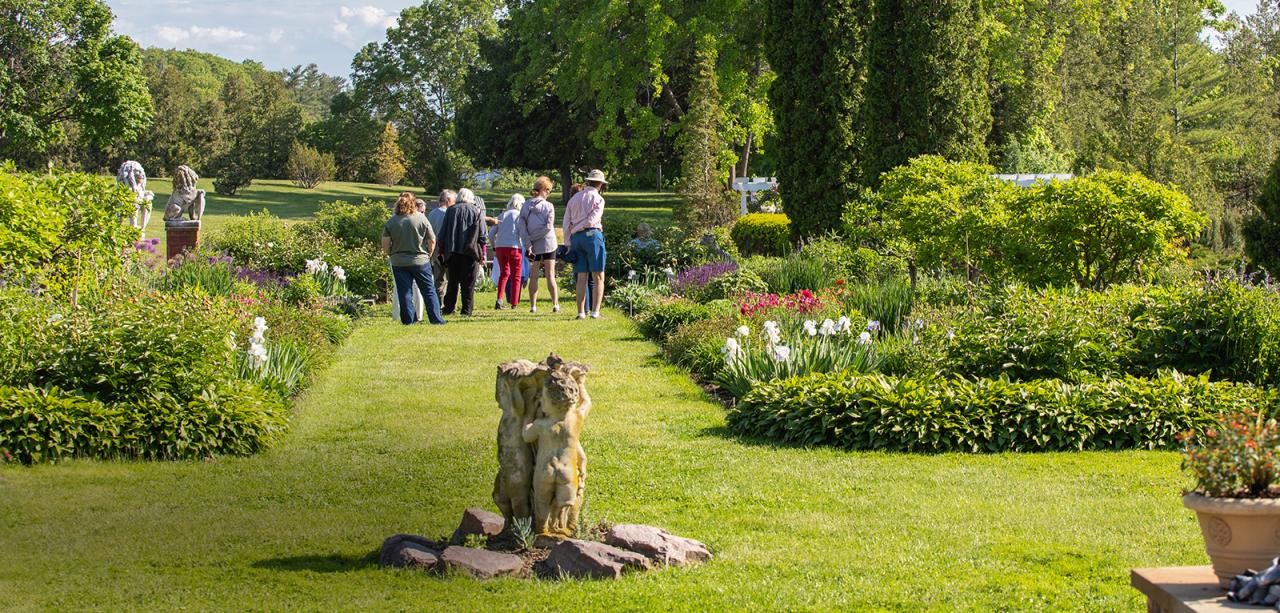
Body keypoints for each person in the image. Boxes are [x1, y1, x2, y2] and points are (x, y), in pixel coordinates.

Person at [381, 191, 445, 326]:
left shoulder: (392, 221)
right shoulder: (421, 218)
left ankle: (409, 320)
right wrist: (429, 253)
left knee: (405, 292)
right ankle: (435, 319)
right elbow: (432, 239)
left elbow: (385, 243)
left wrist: (390, 253)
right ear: (413, 203)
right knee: (428, 291)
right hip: (420, 260)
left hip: (399, 261)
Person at [562, 169, 608, 319]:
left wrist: (568, 241)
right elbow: (592, 220)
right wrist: (579, 227)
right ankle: (595, 312)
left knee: (581, 276)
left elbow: (565, 223)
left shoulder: (573, 199)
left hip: (576, 239)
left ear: (588, 181)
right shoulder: (599, 199)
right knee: (598, 276)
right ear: (600, 183)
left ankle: (581, 312)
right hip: (592, 235)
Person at [437, 188, 486, 316]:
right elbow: (482, 235)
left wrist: (441, 251)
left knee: (452, 281)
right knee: (468, 283)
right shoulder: (477, 211)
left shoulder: (451, 210)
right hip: (471, 251)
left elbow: (442, 233)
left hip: (452, 251)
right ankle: (466, 310)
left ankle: (449, 308)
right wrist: (483, 253)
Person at [519, 176, 559, 313]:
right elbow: (548, 227)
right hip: (548, 243)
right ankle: (555, 304)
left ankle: (533, 306)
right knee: (550, 275)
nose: (549, 194)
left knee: (533, 275)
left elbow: (521, 225)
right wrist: (532, 238)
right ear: (545, 190)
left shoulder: (525, 205)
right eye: (549, 191)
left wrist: (528, 240)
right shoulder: (549, 206)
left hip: (532, 246)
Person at [490, 194, 525, 309]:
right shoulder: (519, 216)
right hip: (514, 247)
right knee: (516, 275)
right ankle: (514, 303)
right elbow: (522, 233)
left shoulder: (502, 215)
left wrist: (494, 247)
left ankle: (499, 300)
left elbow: (491, 234)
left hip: (500, 248)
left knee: (504, 274)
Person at [428, 190, 455, 305]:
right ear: (448, 201)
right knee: (452, 278)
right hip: (448, 248)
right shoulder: (449, 213)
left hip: (435, 249)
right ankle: (449, 304)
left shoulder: (432, 213)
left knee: (439, 278)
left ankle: (440, 303)